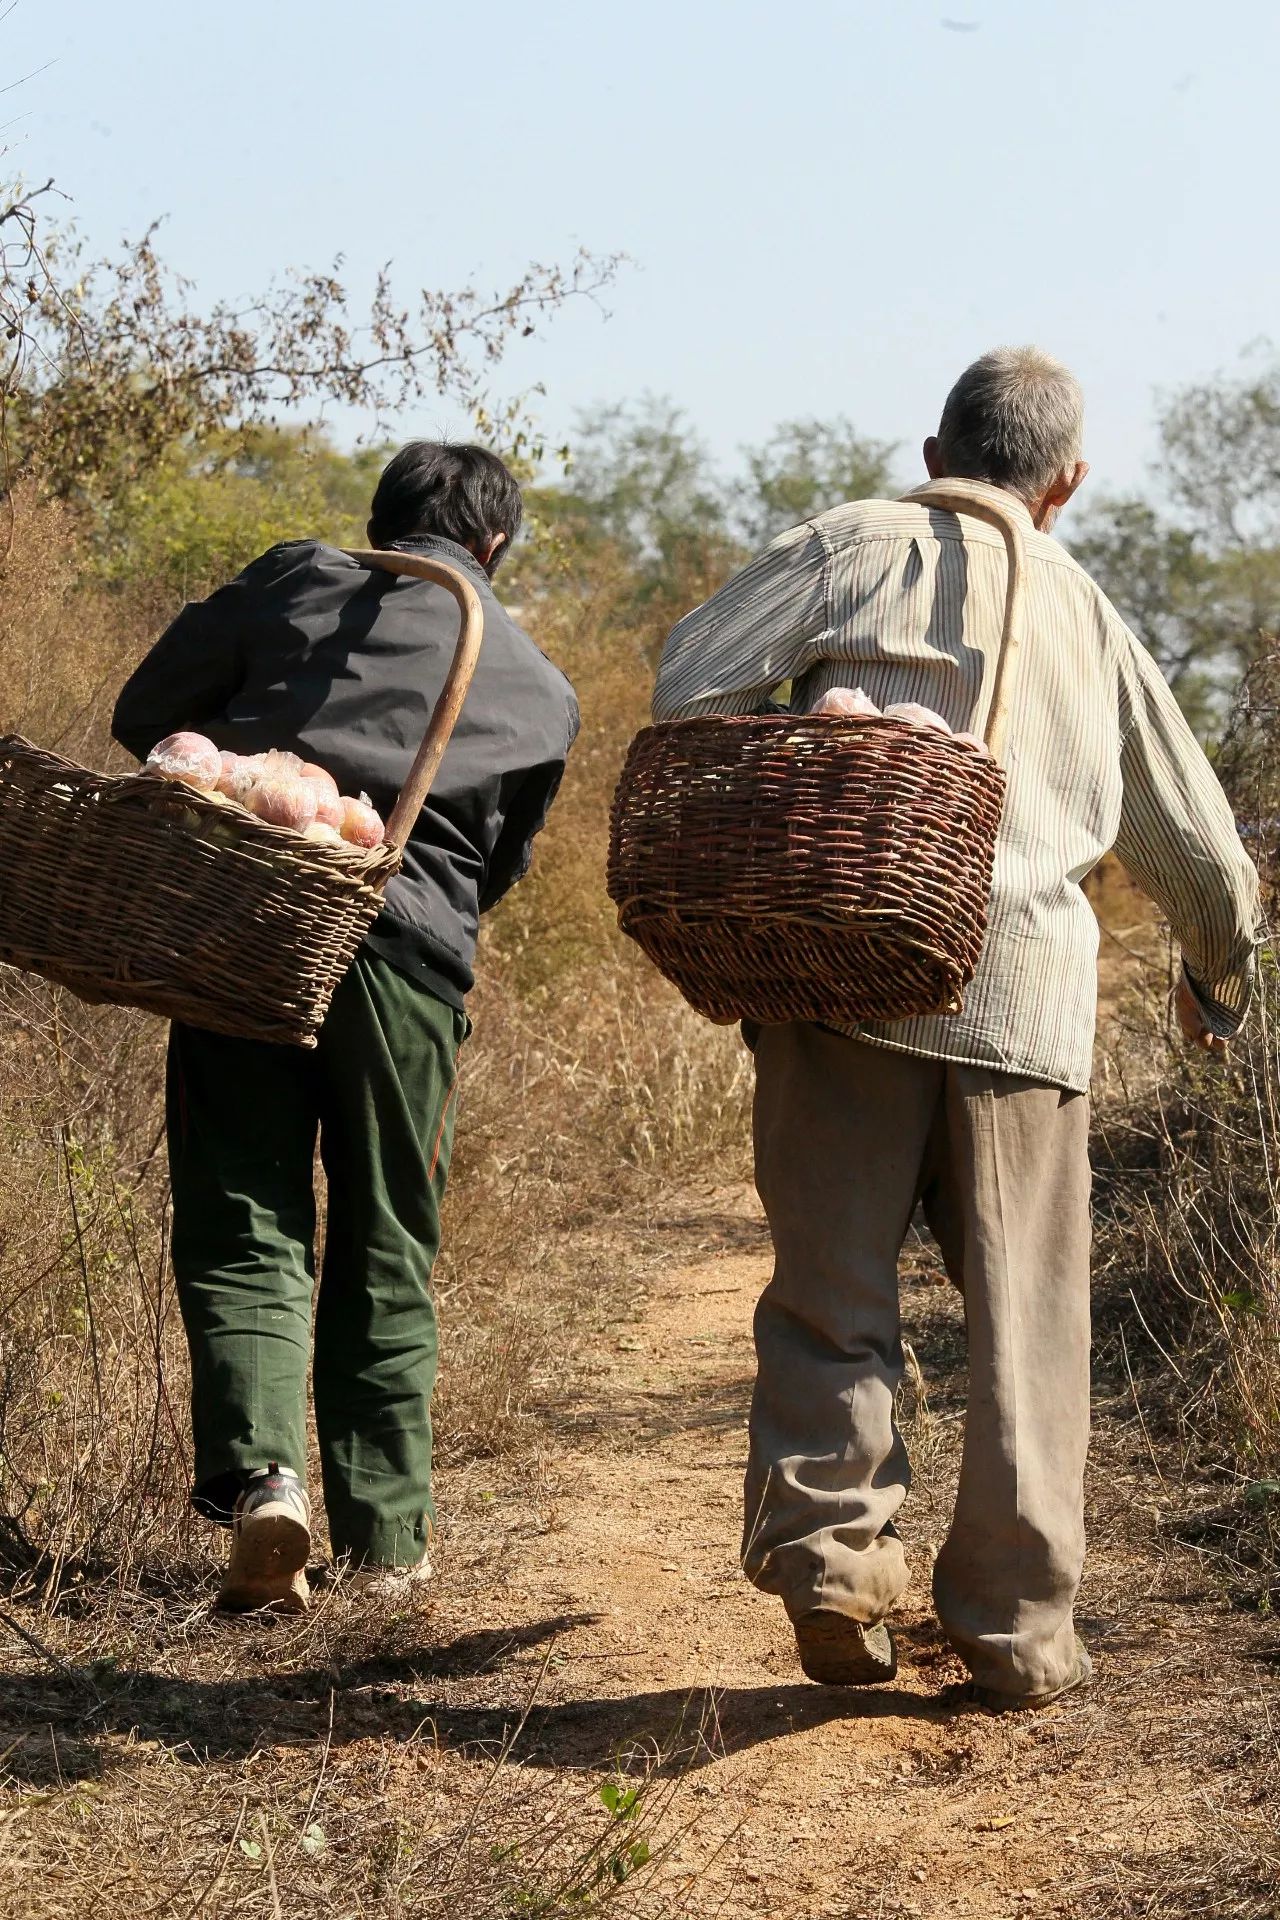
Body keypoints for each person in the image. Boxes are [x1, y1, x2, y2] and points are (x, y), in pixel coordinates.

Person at [650, 349, 1260, 1709]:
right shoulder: (1086, 608)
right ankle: (1017, 1630)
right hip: (1024, 1005)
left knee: (832, 1292)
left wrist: (801, 769)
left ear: (933, 449)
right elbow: (1203, 852)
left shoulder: (840, 545)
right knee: (1026, 1328)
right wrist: (1216, 976)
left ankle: (831, 1565)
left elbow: (688, 679)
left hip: (843, 979)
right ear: (1068, 484)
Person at [113, 442, 578, 1611]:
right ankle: (388, 1550)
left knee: (241, 1206)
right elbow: (496, 869)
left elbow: (145, 717)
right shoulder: (534, 684)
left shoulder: (296, 581)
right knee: (385, 1237)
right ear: (494, 548)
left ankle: (266, 1482)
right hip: (409, 966)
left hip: (253, 929)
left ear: (378, 522)